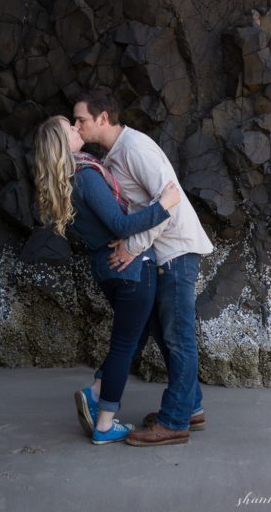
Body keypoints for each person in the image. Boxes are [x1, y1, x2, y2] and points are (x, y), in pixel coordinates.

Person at [73, 89, 214, 447]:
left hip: (176, 251)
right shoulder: (114, 155)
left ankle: (175, 421)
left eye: (82, 120)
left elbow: (171, 199)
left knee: (178, 337)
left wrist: (133, 247)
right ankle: (191, 407)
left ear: (103, 117)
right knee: (166, 334)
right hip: (162, 253)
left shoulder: (135, 149)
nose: (78, 125)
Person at [32, 116, 182, 444]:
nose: (76, 128)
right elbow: (120, 224)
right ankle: (104, 422)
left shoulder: (66, 181)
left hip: (104, 266)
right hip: (129, 269)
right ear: (61, 142)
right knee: (125, 344)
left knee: (135, 334)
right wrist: (164, 206)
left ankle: (97, 390)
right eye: (70, 128)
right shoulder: (84, 174)